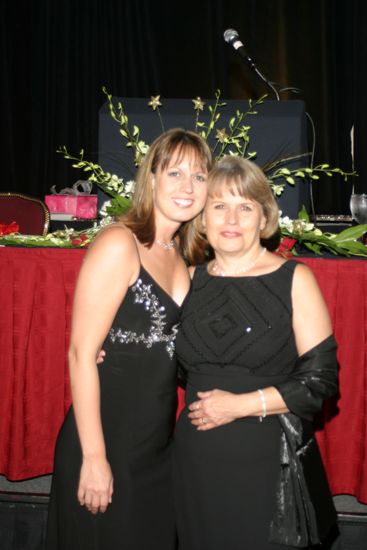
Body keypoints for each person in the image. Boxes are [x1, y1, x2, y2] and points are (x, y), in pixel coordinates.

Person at [45, 128, 212, 550]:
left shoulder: (187, 256)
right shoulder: (119, 243)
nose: (187, 187)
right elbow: (82, 354)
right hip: (106, 442)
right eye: (174, 173)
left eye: (199, 176)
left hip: (157, 450)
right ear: (151, 178)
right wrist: (95, 458)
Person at [173, 155, 338, 550]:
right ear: (202, 218)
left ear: (264, 219)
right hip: (194, 467)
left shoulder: (294, 279)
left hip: (269, 469)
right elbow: (162, 357)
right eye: (219, 206)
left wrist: (239, 405)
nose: (231, 220)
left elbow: (321, 383)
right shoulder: (186, 279)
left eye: (245, 207)